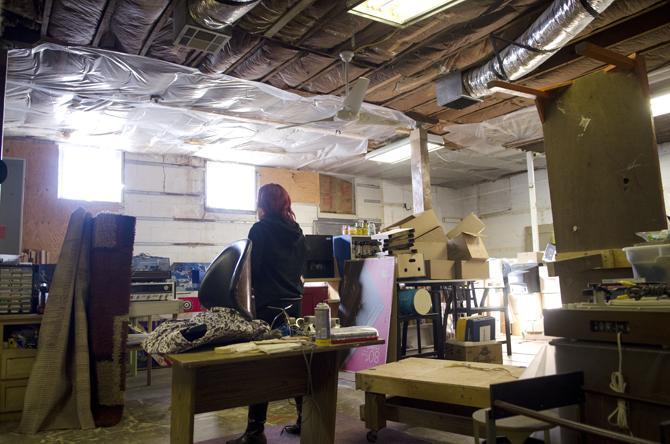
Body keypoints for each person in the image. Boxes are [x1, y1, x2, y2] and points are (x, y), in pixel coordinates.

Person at [227, 183, 306, 444]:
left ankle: (254, 432)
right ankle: (305, 421)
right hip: (295, 306)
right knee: (297, 363)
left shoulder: (259, 230)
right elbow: (300, 269)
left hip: (268, 307)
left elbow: (252, 271)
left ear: (263, 203)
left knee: (260, 366)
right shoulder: (297, 231)